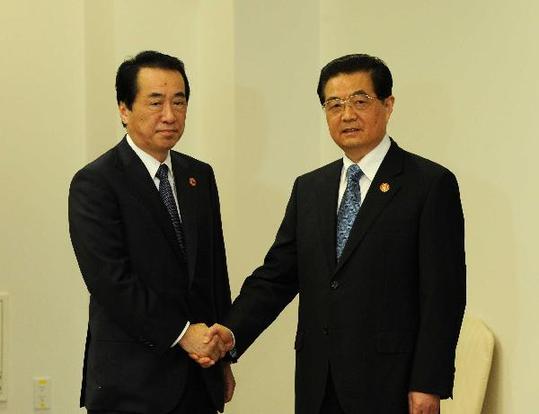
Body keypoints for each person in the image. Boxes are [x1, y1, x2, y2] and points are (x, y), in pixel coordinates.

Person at [198, 54, 466, 414]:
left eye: (360, 101)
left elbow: (443, 296)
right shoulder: (311, 188)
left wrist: (428, 383)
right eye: (334, 104)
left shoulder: (429, 185)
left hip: (392, 384)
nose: (347, 115)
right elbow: (277, 276)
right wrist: (230, 333)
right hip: (318, 382)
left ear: (388, 105)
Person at [69, 50, 235, 414]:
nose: (170, 115)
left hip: (198, 378)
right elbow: (112, 282)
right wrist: (183, 334)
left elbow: (212, 272)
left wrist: (222, 356)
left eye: (179, 101)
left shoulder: (199, 177)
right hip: (132, 385)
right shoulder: (96, 183)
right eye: (156, 102)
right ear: (124, 109)